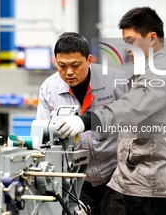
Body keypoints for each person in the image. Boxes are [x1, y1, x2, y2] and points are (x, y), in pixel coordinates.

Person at [56, 7, 166, 215]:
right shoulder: (150, 68)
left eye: (131, 41)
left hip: (154, 183)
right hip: (146, 177)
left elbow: (130, 107)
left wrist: (86, 121)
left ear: (152, 38)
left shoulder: (163, 72)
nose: (127, 48)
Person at [36, 32, 130, 215]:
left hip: (116, 174)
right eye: (61, 66)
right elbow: (42, 137)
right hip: (77, 177)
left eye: (75, 65)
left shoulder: (116, 82)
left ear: (89, 60)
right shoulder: (49, 89)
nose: (68, 72)